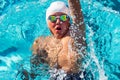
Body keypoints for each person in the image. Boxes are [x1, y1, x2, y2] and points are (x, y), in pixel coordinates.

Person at [31, 0, 86, 80]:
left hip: (77, 76)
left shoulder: (74, 32)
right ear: (47, 23)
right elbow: (35, 70)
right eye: (52, 18)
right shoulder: (42, 43)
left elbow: (75, 5)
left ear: (68, 21)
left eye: (63, 17)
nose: (58, 21)